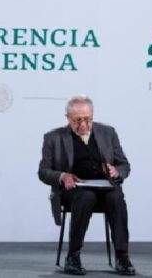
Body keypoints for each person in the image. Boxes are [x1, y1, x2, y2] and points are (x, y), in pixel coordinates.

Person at [38, 95, 135, 276]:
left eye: (87, 119)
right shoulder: (53, 137)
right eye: (77, 121)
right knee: (86, 196)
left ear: (92, 116)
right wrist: (63, 176)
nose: (83, 125)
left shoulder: (108, 133)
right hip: (73, 190)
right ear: (67, 118)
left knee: (116, 196)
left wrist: (116, 172)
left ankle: (122, 257)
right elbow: (43, 172)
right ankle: (73, 256)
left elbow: (124, 165)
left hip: (104, 188)